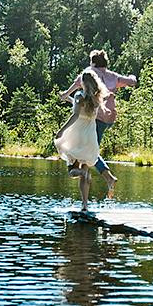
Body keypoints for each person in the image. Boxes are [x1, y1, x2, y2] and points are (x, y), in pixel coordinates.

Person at [62, 49, 137, 198]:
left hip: (94, 118)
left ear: (93, 62)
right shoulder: (113, 76)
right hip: (108, 119)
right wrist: (132, 76)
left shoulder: (89, 72)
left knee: (88, 152)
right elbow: (132, 82)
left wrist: (65, 94)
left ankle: (108, 178)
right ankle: (84, 203)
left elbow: (77, 84)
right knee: (87, 153)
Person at [53, 69, 109, 212]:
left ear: (83, 83)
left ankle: (81, 173)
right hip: (90, 136)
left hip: (77, 134)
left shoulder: (79, 95)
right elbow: (85, 109)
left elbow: (76, 115)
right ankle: (84, 205)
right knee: (84, 167)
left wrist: (61, 131)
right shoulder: (97, 98)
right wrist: (70, 100)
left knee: (72, 171)